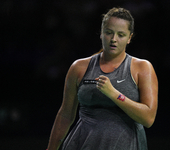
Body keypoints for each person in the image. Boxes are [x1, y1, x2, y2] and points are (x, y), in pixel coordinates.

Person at [47, 7, 158, 150]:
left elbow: (148, 118)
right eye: (109, 33)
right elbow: (65, 116)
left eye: (121, 35)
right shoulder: (79, 67)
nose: (114, 39)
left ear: (129, 38)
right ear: (101, 33)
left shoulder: (143, 68)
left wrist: (114, 94)